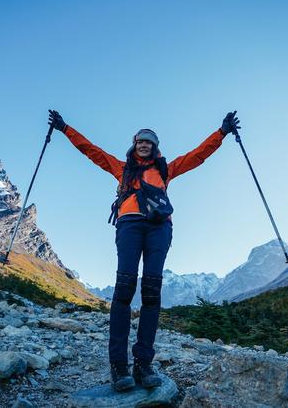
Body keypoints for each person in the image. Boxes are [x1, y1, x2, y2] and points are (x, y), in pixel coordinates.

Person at [47, 109, 240, 391]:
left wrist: (221, 132)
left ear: (155, 147)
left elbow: (198, 155)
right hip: (129, 226)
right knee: (124, 289)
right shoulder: (121, 168)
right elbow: (91, 150)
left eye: (149, 141)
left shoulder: (165, 170)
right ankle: (119, 366)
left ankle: (143, 364)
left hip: (159, 229)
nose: (144, 144)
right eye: (141, 140)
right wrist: (65, 128)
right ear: (134, 144)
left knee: (151, 292)